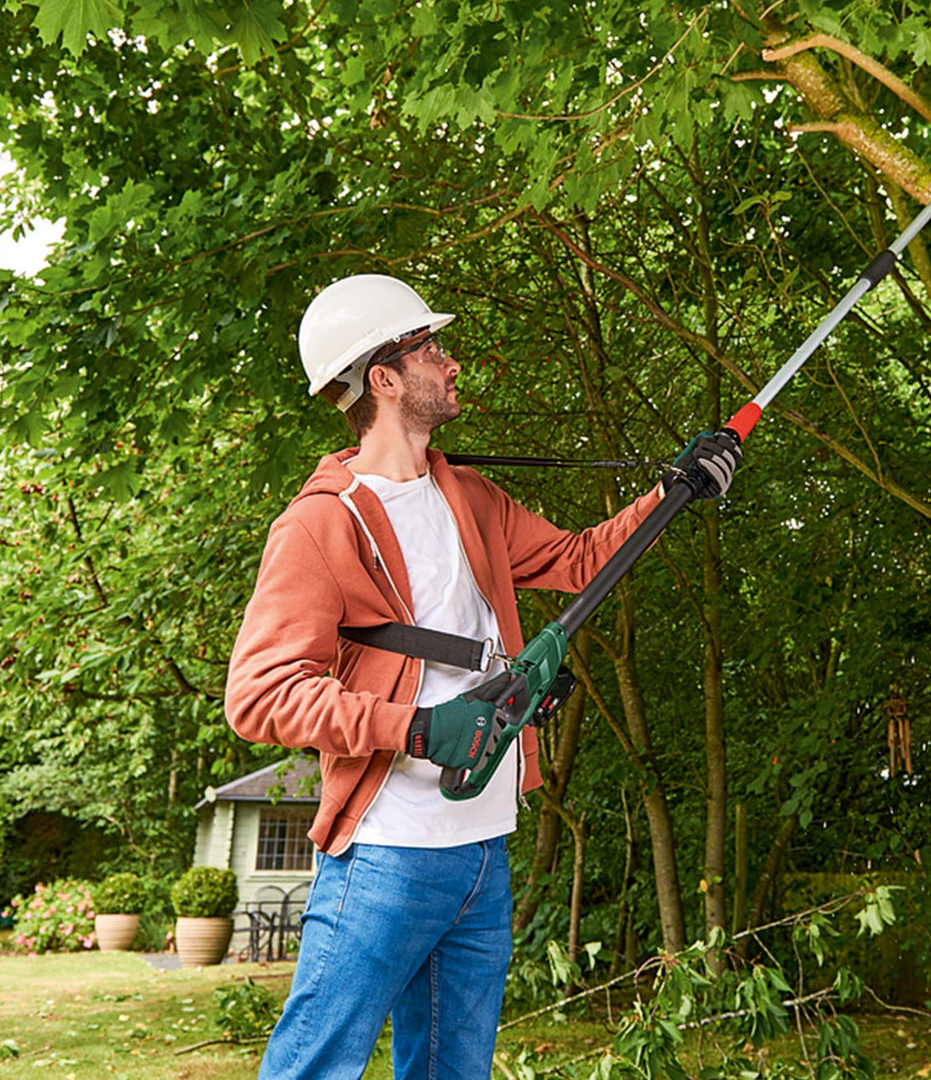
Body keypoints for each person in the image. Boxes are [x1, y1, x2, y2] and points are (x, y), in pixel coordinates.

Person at [225, 274, 741, 1080]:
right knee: (312, 1069)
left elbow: (578, 561)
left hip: (481, 850)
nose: (452, 360)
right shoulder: (323, 522)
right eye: (431, 348)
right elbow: (260, 694)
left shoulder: (467, 494)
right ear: (384, 377)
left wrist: (672, 492)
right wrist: (418, 729)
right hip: (387, 854)